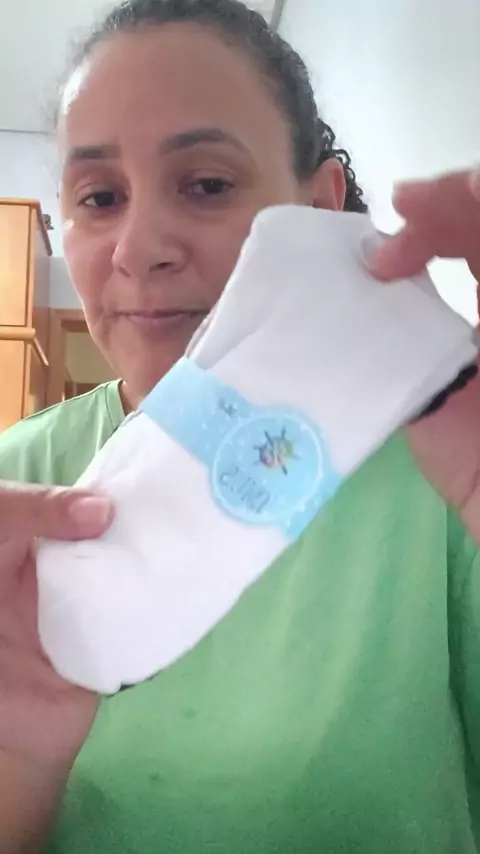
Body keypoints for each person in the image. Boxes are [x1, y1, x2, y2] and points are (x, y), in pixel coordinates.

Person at [0, 0, 479, 850]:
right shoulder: (17, 489)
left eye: (207, 184)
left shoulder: (442, 476)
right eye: (99, 196)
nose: (138, 248)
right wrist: (19, 763)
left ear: (318, 207)